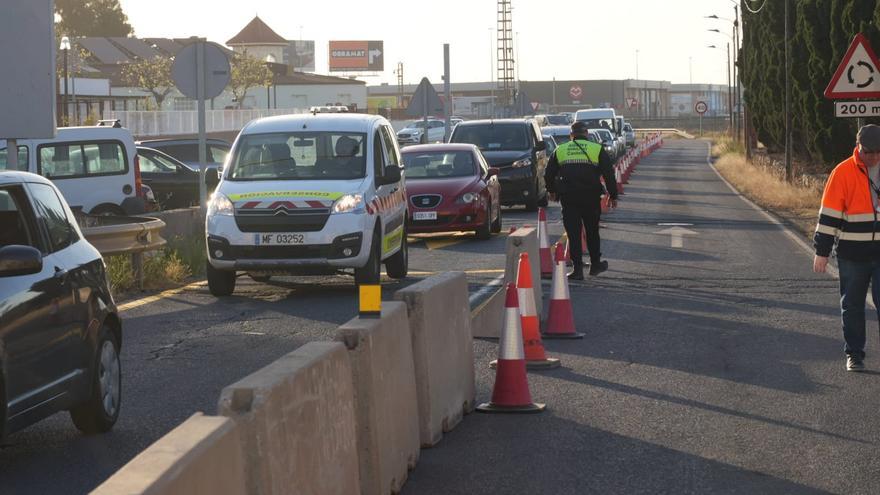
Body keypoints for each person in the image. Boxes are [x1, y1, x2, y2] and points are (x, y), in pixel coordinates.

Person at [814, 124, 880, 371]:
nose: (873, 156)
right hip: (853, 254)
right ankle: (854, 354)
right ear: (858, 146)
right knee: (852, 305)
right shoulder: (842, 172)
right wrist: (822, 251)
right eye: (868, 151)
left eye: (877, 152)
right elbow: (829, 214)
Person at [545, 121, 618, 280]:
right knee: (592, 231)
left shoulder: (560, 150)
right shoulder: (596, 149)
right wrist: (613, 195)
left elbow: (548, 174)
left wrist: (552, 191)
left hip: (569, 198)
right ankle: (595, 264)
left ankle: (577, 270)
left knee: (573, 233)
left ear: (571, 135)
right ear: (586, 134)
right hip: (591, 197)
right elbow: (609, 174)